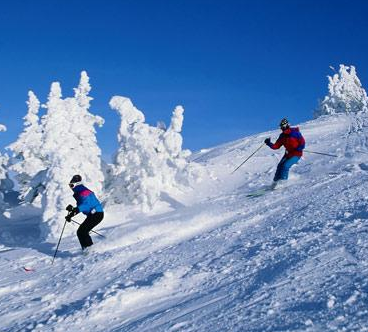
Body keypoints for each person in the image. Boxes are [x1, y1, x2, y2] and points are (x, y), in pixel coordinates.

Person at [65, 174, 104, 254]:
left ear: (76, 184)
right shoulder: (81, 191)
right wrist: (71, 213)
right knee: (81, 231)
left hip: (97, 214)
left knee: (82, 231)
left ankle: (90, 251)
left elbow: (85, 205)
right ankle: (86, 250)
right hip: (94, 214)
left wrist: (74, 211)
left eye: (71, 185)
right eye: (70, 185)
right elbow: (82, 205)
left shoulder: (83, 192)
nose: (70, 188)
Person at [264, 118, 305, 188]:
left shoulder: (294, 133)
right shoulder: (282, 136)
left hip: (296, 154)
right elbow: (276, 146)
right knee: (279, 166)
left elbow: (302, 142)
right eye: (281, 127)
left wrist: (298, 148)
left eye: (283, 126)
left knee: (285, 166)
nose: (282, 128)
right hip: (288, 154)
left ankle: (283, 182)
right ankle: (275, 183)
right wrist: (268, 143)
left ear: (287, 125)